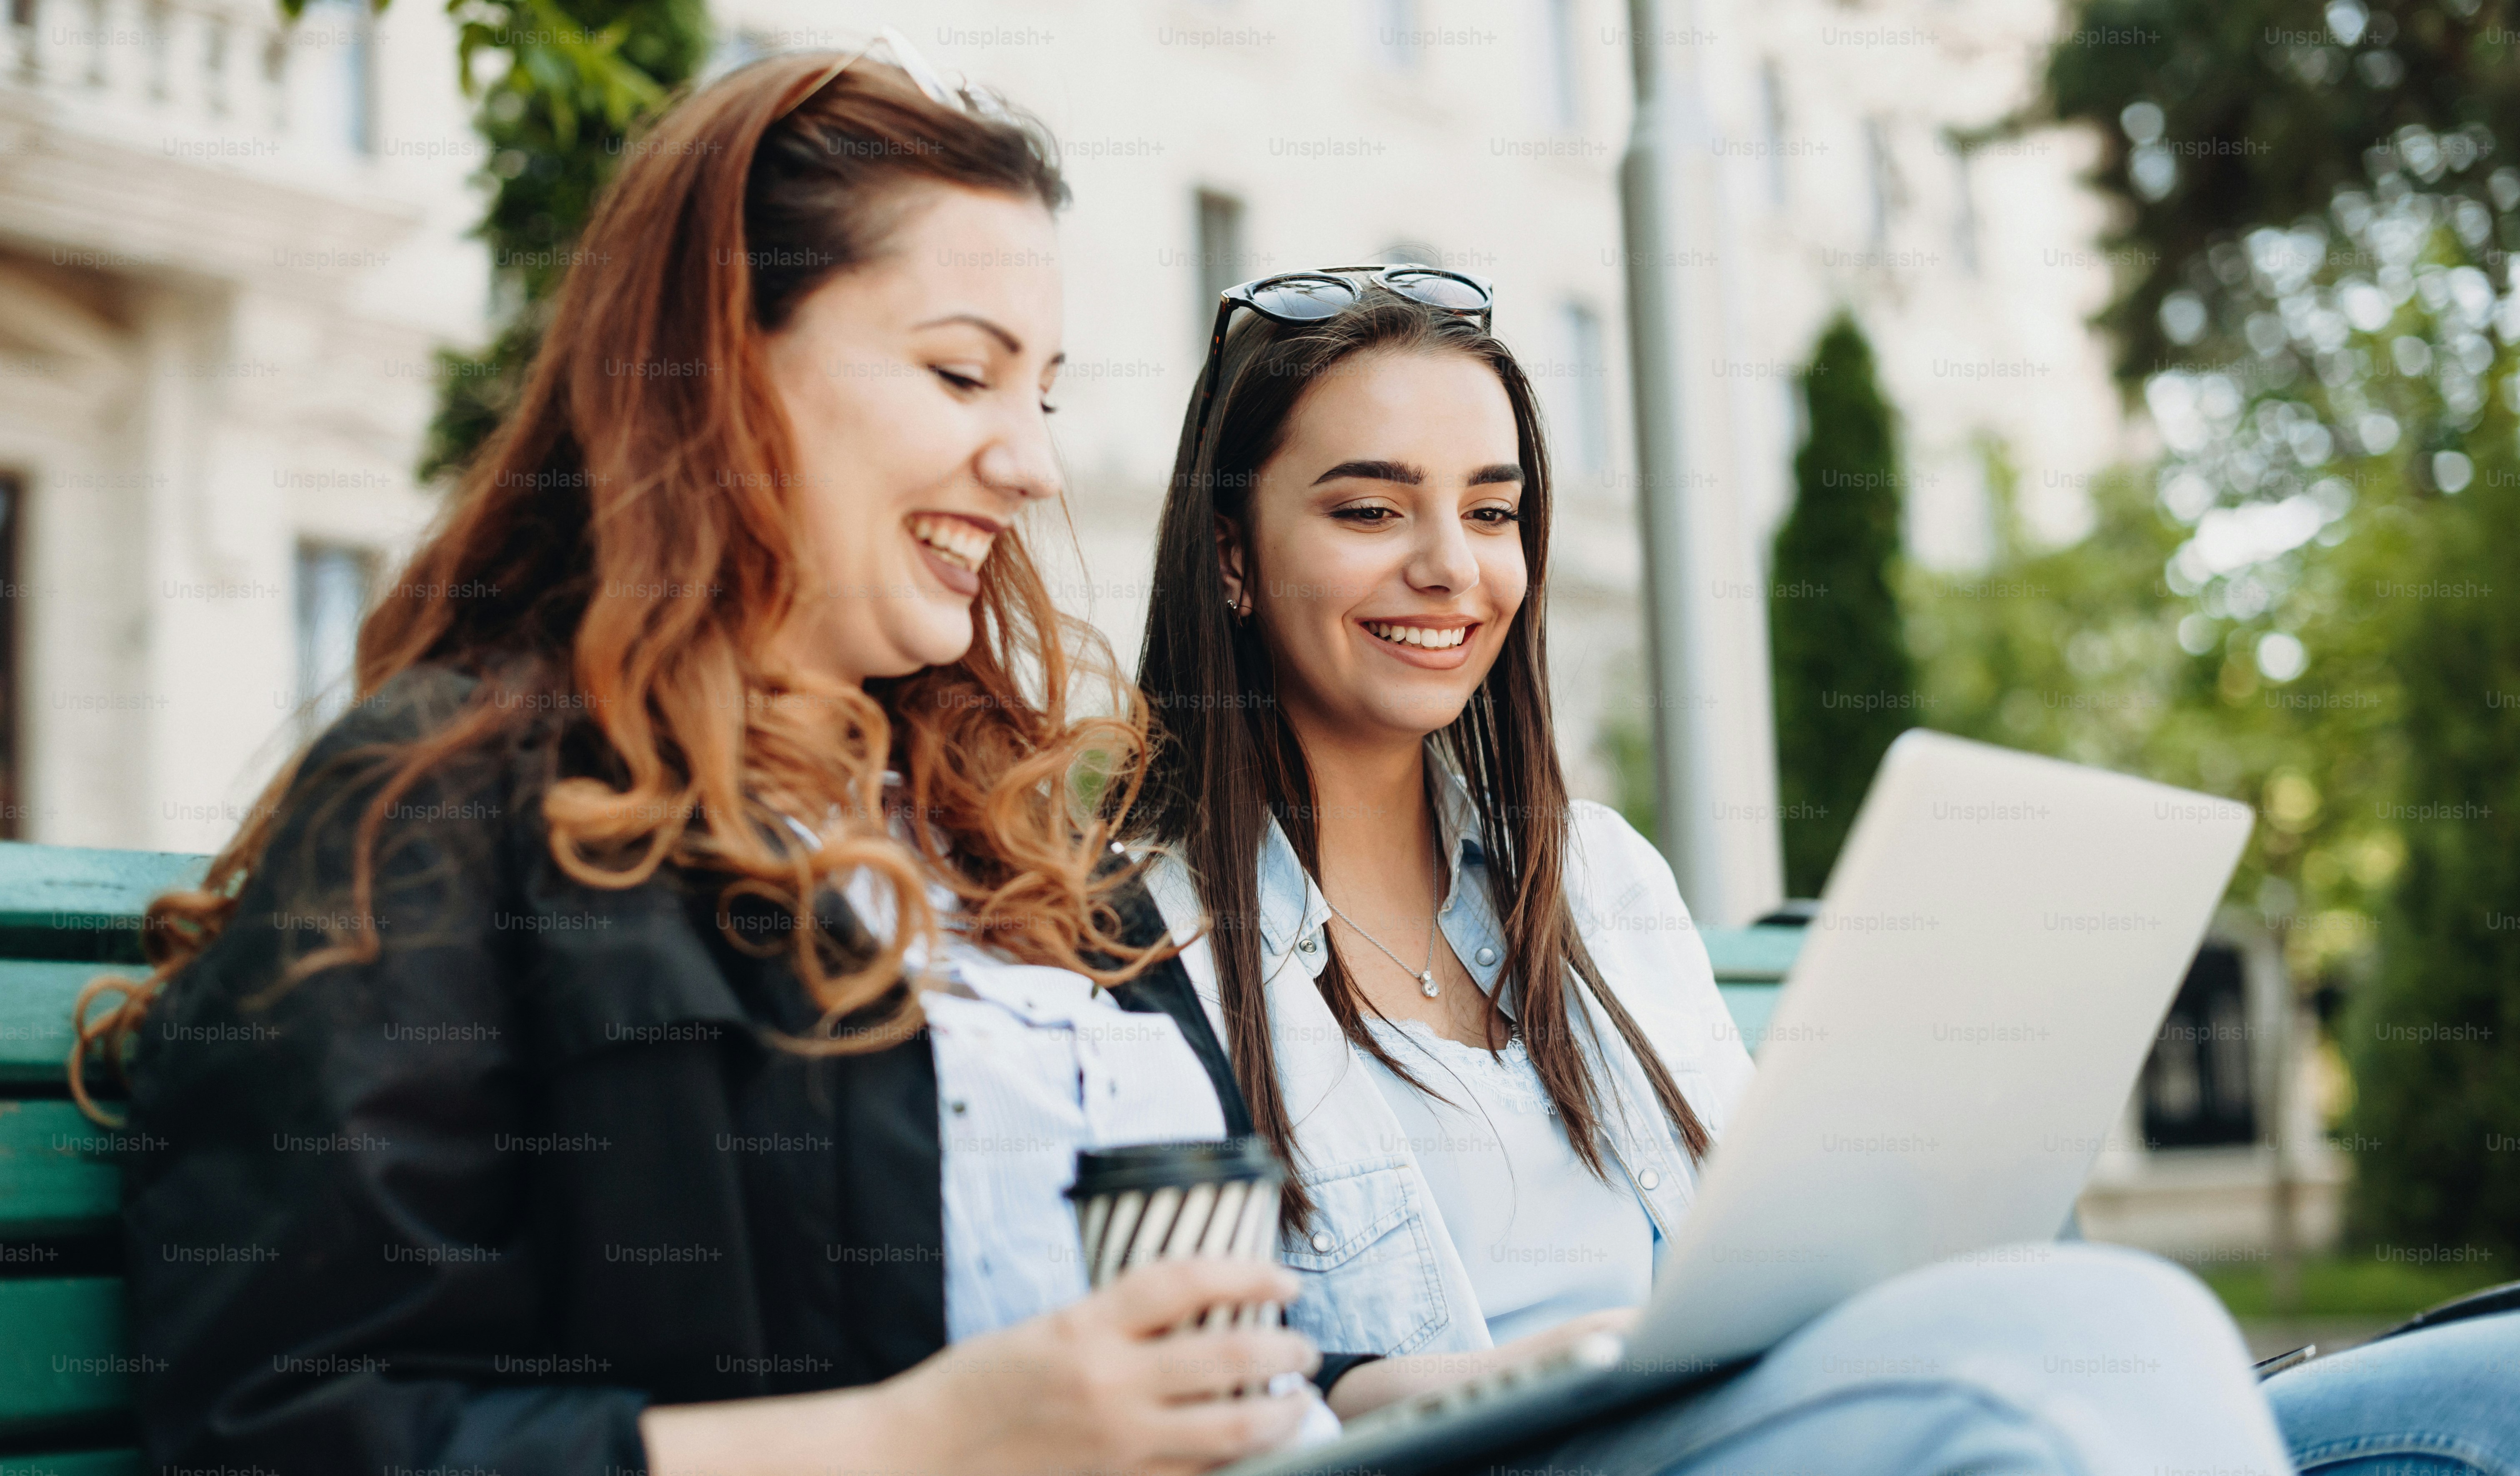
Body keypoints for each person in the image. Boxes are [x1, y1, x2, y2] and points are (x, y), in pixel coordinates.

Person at [76, 45, 1327, 1476]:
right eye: (959, 372)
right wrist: (913, 1443)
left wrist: (1379, 1396)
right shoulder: (448, 806)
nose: (1032, 465)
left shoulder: (1010, 830)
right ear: (723, 369)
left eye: (1037, 395)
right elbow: (281, 1428)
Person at [1128, 268, 2299, 1472]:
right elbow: (1188, 1403)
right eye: (1372, 511)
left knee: (2376, 1375)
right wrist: (1543, 1370)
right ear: (1232, 557)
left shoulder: (1599, 881)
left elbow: (1762, 1260)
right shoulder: (1141, 954)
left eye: (1491, 512)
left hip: (1743, 1427)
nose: (1451, 566)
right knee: (2113, 1332)